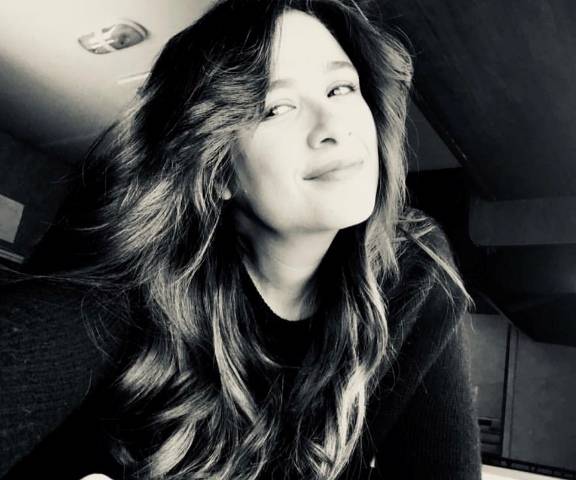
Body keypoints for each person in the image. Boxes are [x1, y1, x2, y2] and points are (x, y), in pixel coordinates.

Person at [0, 0, 482, 479]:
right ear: (218, 171)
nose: (333, 127)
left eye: (340, 88)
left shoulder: (415, 273)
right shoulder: (135, 276)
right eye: (276, 108)